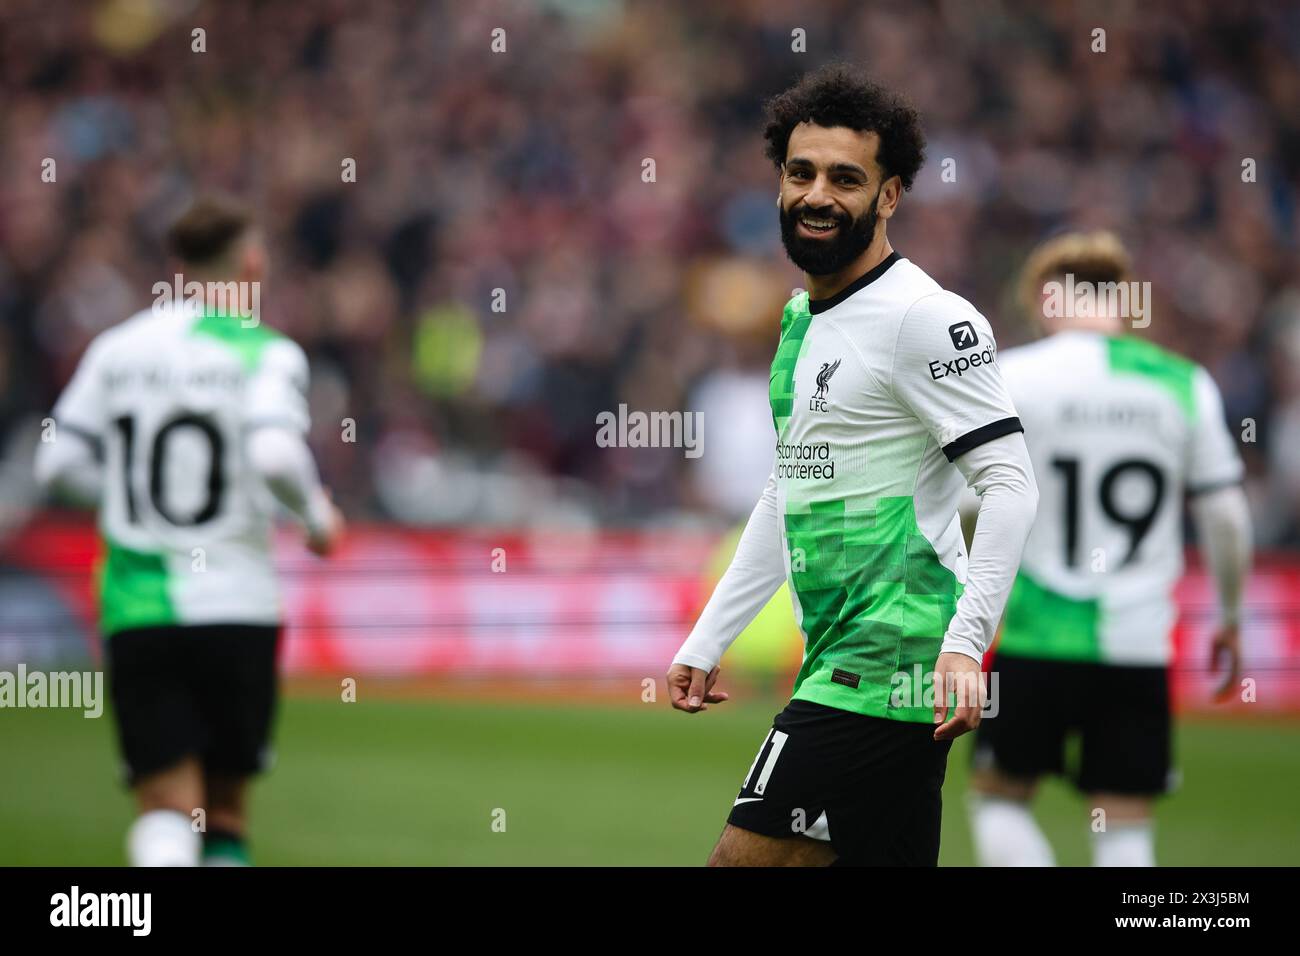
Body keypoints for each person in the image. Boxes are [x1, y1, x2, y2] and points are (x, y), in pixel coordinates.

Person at [666, 64, 1038, 866]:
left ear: (890, 195)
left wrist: (966, 646)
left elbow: (1010, 486)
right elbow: (789, 484)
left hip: (890, 659)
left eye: (846, 178)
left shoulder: (926, 319)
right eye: (800, 174)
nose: (817, 195)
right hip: (841, 656)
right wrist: (709, 636)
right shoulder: (801, 317)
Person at [34, 196, 345, 866]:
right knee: (225, 813)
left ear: (176, 267)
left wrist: (123, 493)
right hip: (237, 603)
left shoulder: (116, 350)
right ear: (253, 264)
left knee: (167, 811)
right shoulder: (266, 352)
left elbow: (55, 462)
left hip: (138, 603)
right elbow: (274, 454)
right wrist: (316, 518)